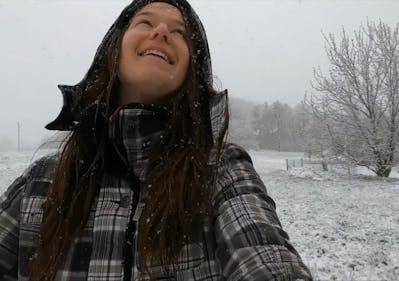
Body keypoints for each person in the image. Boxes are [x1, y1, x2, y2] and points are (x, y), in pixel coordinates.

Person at [0, 0, 312, 280]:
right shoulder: (40, 181)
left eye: (180, 33)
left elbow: (264, 257)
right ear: (115, 50)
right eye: (146, 22)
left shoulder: (221, 170)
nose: (162, 31)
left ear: (191, 70)